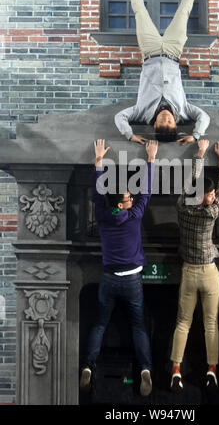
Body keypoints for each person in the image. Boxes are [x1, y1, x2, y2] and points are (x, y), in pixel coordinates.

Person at [79, 138, 158, 397]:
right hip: (133, 280)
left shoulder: (103, 215)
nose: (131, 197)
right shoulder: (134, 216)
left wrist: (98, 161)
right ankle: (145, 368)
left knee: (100, 324)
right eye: (127, 197)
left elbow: (96, 193)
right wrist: (150, 159)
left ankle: (89, 366)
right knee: (138, 326)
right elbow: (146, 191)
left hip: (109, 278)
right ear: (123, 204)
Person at [114, 0, 210, 145]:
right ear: (176, 122)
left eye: (162, 122)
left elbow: (120, 116)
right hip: (173, 52)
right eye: (170, 121)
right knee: (183, 13)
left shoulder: (141, 112)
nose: (166, 117)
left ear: (155, 125)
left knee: (139, 13)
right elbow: (203, 117)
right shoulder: (184, 110)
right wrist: (196, 135)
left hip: (149, 51)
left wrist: (129, 134)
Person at [170, 139, 219, 393]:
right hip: (208, 273)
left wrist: (200, 153)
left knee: (183, 322)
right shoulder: (211, 212)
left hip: (188, 272)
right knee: (210, 323)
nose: (214, 195)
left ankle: (175, 369)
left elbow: (190, 184)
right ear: (204, 197)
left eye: (213, 194)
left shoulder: (183, 207)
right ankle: (211, 368)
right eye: (210, 193)